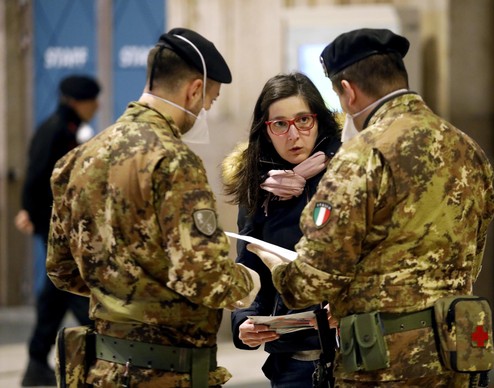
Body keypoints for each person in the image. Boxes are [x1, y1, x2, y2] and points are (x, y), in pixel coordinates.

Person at [247, 28, 494, 387]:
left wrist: (279, 269)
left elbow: (311, 281)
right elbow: (472, 258)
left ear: (348, 91)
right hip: (460, 355)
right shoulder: (468, 151)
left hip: (387, 364)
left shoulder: (361, 156)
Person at [45, 27, 260, 388]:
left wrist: (123, 287)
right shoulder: (174, 161)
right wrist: (247, 283)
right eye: (209, 100)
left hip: (101, 369)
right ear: (193, 90)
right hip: (165, 371)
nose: (205, 109)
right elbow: (203, 275)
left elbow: (62, 269)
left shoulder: (77, 161)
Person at [221, 72, 341, 387]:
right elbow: (249, 266)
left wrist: (350, 302)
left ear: (320, 120)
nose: (294, 135)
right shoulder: (258, 190)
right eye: (280, 124)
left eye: (303, 120)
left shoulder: (347, 175)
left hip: (354, 351)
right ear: (266, 130)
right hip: (291, 361)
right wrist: (244, 322)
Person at [14, 74, 100, 387]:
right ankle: (104, 346)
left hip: (61, 225)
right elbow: (37, 176)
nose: (97, 105)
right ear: (78, 102)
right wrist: (31, 212)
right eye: (93, 100)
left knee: (59, 290)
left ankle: (37, 361)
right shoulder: (56, 130)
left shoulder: (69, 128)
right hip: (56, 225)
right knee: (69, 287)